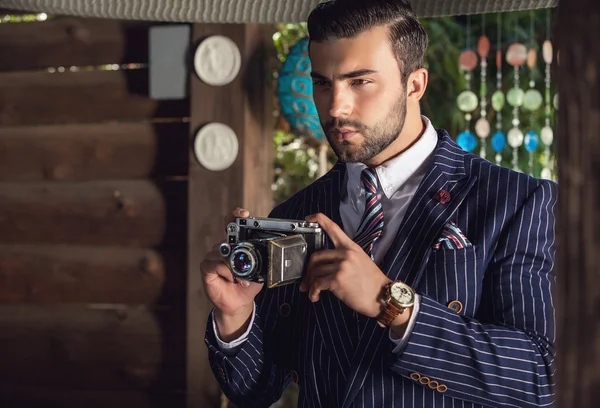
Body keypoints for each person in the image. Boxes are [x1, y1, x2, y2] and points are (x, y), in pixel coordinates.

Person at [201, 0, 557, 406]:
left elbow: (540, 378)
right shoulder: (293, 215)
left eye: (360, 81)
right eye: (322, 83)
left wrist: (391, 304)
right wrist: (234, 318)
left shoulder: (518, 201)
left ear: (415, 84)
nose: (336, 107)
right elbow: (255, 391)